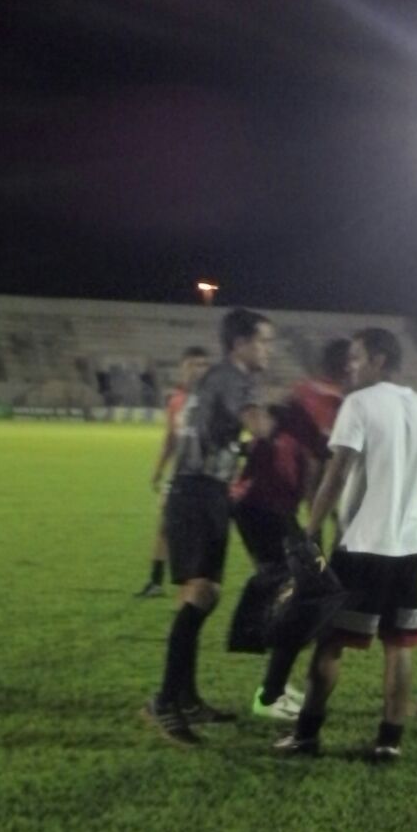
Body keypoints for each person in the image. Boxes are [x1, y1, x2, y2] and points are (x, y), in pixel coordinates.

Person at [275, 327, 417, 763]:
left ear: (378, 359)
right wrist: (401, 479)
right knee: (399, 646)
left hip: (361, 546)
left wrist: (310, 531)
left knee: (330, 643)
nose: (348, 366)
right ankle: (390, 741)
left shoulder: (359, 404)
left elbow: (336, 473)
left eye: (356, 357)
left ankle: (306, 735)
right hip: (409, 548)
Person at [142, 309, 274, 745]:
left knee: (204, 593)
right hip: (199, 491)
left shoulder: (214, 377)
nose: (268, 350)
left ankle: (185, 697)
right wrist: (291, 422)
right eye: (263, 341)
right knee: (200, 593)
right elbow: (259, 427)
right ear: (240, 344)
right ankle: (165, 702)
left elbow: (221, 433)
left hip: (198, 490)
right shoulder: (235, 379)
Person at [231, 337, 351, 721]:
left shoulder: (303, 391)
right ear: (348, 367)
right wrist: (318, 528)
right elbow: (317, 470)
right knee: (306, 591)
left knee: (302, 589)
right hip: (264, 505)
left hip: (259, 503)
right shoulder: (332, 404)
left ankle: (274, 687)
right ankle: (270, 695)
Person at [135, 347, 210, 598]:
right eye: (193, 365)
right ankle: (156, 582)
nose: (198, 370)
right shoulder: (176, 400)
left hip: (205, 477)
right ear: (182, 368)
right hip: (179, 475)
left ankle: (197, 584)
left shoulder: (212, 399)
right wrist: (158, 470)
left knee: (200, 533)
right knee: (165, 525)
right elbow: (170, 440)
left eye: (202, 365)